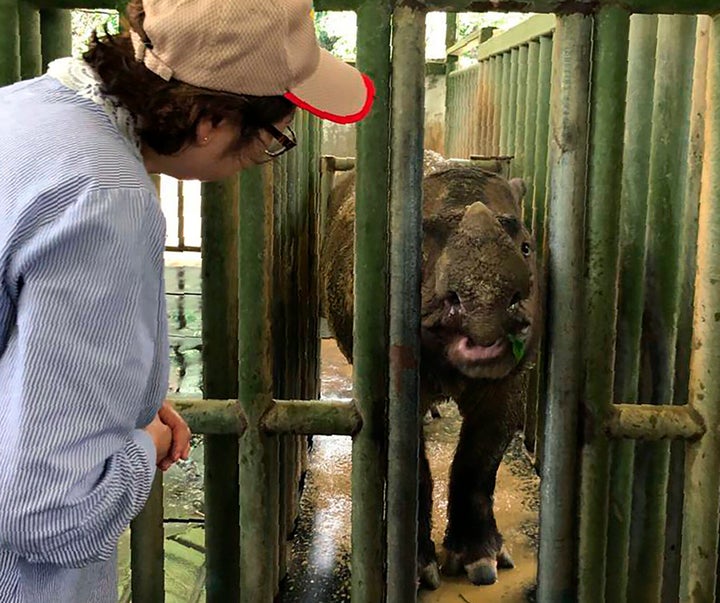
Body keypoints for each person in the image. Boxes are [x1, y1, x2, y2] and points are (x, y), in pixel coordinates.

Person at [0, 0, 375, 600]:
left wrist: (123, 402)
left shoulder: (23, 111)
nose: (263, 156)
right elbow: (51, 512)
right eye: (273, 135)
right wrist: (139, 444)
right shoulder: (105, 197)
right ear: (209, 121)